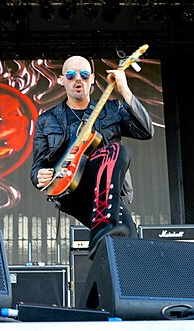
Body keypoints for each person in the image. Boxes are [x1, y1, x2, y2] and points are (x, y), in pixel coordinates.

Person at [31, 55, 154, 259]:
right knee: (117, 231)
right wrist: (39, 176)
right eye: (70, 75)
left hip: (105, 189)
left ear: (93, 79)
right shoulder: (47, 119)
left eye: (84, 74)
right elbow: (37, 166)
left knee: (126, 237)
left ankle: (107, 274)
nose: (77, 79)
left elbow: (146, 131)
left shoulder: (112, 109)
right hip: (70, 188)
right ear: (61, 80)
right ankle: (103, 227)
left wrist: (124, 90)